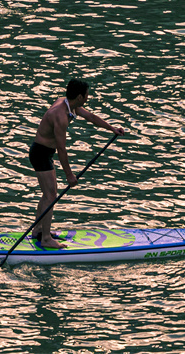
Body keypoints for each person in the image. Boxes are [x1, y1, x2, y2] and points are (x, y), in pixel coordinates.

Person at [29, 79, 126, 249]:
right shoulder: (60, 115)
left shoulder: (69, 105)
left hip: (45, 153)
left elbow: (91, 117)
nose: (88, 98)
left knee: (48, 194)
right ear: (80, 96)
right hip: (40, 154)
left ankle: (38, 231)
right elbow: (61, 149)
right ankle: (45, 239)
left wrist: (112, 129)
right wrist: (69, 176)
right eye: (87, 95)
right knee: (50, 195)